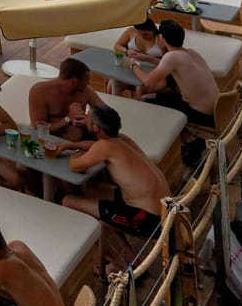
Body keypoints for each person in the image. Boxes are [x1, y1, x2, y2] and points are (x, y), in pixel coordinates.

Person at [53, 105, 170, 247]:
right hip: (165, 211)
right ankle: (124, 255)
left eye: (88, 117)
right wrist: (73, 145)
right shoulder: (123, 139)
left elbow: (75, 165)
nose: (85, 119)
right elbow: (95, 145)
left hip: (147, 220)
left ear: (96, 128)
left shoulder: (105, 147)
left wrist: (75, 153)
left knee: (67, 201)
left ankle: (125, 262)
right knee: (91, 190)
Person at [135, 20, 218, 125]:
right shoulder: (192, 53)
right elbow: (171, 66)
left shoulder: (171, 57)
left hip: (201, 114)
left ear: (162, 37)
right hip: (218, 108)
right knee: (154, 96)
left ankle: (176, 134)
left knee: (144, 100)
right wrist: (148, 58)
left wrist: (132, 64)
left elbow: (148, 82)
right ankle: (187, 136)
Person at [26, 58, 99, 141]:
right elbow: (39, 128)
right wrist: (68, 118)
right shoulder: (40, 92)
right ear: (75, 81)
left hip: (80, 140)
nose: (88, 83)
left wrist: (90, 119)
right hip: (49, 141)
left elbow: (107, 114)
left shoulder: (86, 91)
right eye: (86, 80)